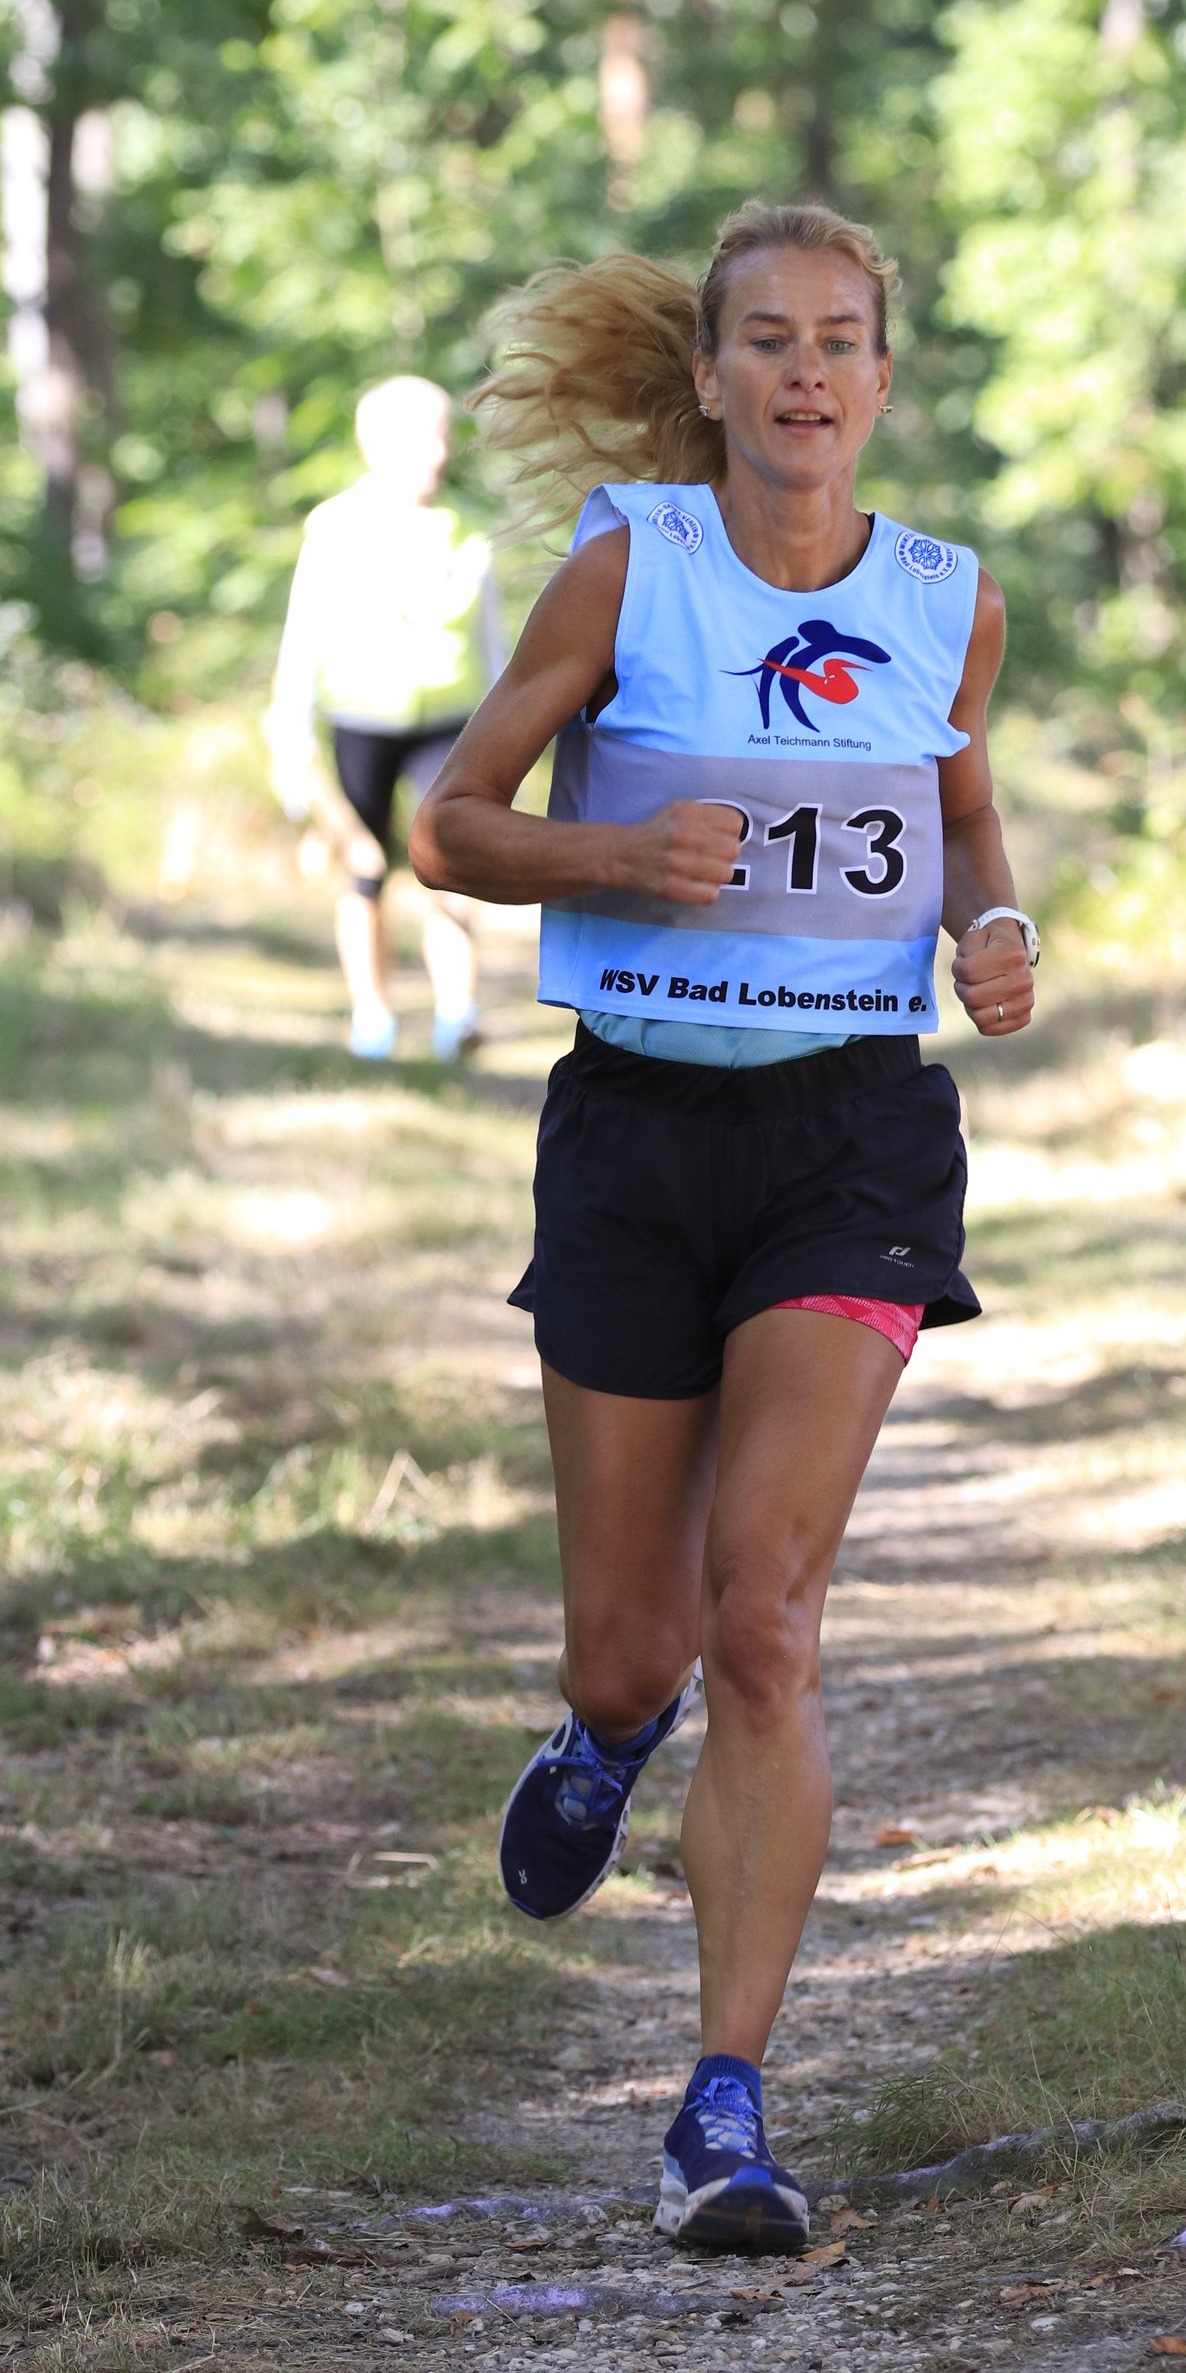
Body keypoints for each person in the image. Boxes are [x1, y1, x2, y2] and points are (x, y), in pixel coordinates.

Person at [411, 202, 1038, 2252]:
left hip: (851, 1136)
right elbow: (450, 820)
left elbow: (959, 824)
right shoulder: (632, 566)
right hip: (636, 1131)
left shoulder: (948, 600)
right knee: (640, 1644)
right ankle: (609, 1732)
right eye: (765, 338)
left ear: (883, 378)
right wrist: (613, 854)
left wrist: (998, 929)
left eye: (838, 339)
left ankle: (723, 2107)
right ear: (708, 375)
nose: (803, 371)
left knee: (765, 1616)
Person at [265, 374, 502, 1060]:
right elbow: (301, 642)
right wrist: (291, 747)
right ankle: (373, 1018)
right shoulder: (334, 526)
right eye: (422, 439)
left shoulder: (469, 527)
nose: (438, 454)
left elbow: (493, 647)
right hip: (361, 721)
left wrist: (504, 741)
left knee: (450, 866)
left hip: (448, 724)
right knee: (364, 869)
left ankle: (457, 1015)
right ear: (376, 446)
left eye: (444, 438)